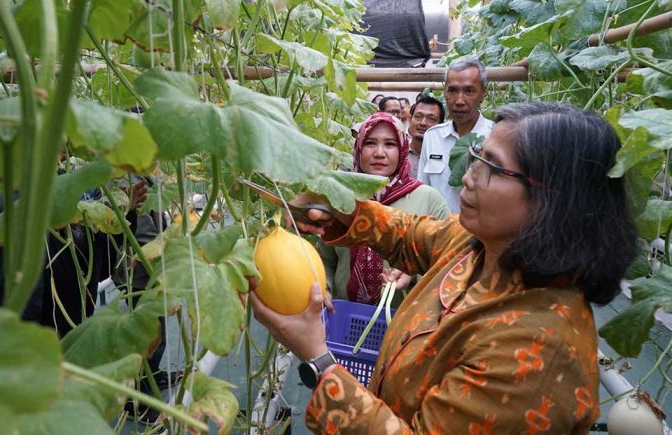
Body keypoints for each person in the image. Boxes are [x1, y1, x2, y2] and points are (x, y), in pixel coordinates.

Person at [251, 102, 638, 433]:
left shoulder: (538, 351)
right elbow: (410, 233)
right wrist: (336, 211)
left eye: (491, 167)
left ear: (553, 201)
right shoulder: (483, 248)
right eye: (477, 158)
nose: (467, 177)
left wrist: (317, 356)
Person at [0, 177, 147, 336]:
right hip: (13, 318)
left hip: (69, 319)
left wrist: (122, 212)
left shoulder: (83, 186)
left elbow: (103, 265)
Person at [318, 112, 449, 305]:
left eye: (390, 144)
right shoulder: (340, 197)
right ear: (359, 148)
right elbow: (325, 260)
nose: (379, 152)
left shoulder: (429, 200)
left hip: (402, 324)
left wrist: (413, 272)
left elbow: (447, 266)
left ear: (403, 149)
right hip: (341, 320)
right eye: (370, 143)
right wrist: (324, 290)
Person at [418, 56, 494, 212]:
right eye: (453, 90)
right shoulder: (432, 137)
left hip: (479, 234)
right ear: (444, 91)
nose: (459, 100)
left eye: (469, 91)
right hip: (438, 231)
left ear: (483, 93)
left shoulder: (496, 137)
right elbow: (423, 191)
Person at [407, 93, 445, 178]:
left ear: (441, 125)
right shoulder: (398, 154)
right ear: (410, 120)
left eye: (431, 119)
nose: (423, 123)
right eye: (418, 116)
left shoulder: (446, 155)